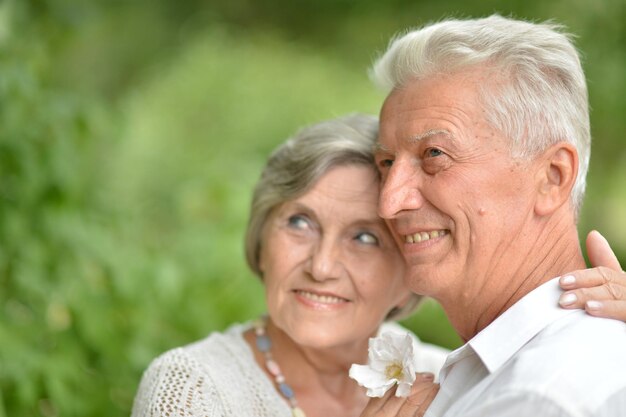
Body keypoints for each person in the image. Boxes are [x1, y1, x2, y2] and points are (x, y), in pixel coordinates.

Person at [130, 113, 624, 417]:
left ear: (409, 271)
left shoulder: (450, 379)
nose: (322, 266)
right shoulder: (192, 388)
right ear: (261, 240)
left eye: (365, 237)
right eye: (299, 223)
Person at [365, 14, 626, 417]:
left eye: (434, 154)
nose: (389, 201)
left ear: (552, 178)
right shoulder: (501, 370)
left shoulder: (538, 396)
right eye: (385, 162)